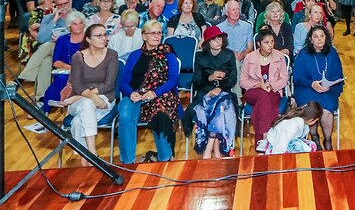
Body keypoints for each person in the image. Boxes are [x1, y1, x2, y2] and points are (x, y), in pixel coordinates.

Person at [117, 20, 181, 164]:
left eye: (159, 32)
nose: (157, 36)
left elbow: (173, 80)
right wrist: (130, 93)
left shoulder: (168, 55)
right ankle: (128, 162)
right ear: (144, 35)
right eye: (153, 33)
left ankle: (164, 159)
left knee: (161, 114)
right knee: (126, 113)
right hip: (136, 95)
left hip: (160, 95)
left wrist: (155, 93)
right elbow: (123, 82)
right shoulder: (135, 55)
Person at [63, 23, 120, 166]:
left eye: (105, 35)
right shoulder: (78, 57)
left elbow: (109, 84)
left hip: (103, 99)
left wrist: (81, 96)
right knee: (87, 104)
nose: (103, 38)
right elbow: (76, 85)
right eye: (98, 35)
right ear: (88, 39)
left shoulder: (112, 55)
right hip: (80, 102)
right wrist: (87, 97)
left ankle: (85, 158)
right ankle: (92, 153)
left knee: (78, 120)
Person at [183, 25, 238, 158]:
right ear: (208, 42)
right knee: (211, 108)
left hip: (224, 91)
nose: (218, 41)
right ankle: (217, 150)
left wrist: (220, 88)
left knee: (221, 106)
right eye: (214, 39)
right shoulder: (200, 56)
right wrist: (210, 77)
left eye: (220, 38)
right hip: (205, 92)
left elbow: (233, 79)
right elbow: (196, 82)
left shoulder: (229, 54)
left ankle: (209, 148)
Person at [293, 26, 344, 150]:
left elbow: (339, 75)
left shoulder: (332, 53)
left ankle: (328, 140)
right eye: (315, 36)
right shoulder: (303, 54)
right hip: (307, 89)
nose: (319, 39)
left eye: (322, 36)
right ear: (310, 39)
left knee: (326, 111)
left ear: (326, 38)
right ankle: (314, 136)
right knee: (311, 108)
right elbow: (297, 78)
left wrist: (330, 86)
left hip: (328, 90)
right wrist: (312, 84)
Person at [239, 27, 289, 150]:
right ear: (258, 44)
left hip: (274, 91)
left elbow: (284, 79)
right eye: (266, 42)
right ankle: (267, 137)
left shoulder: (279, 56)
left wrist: (271, 86)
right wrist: (259, 85)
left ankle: (261, 139)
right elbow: (242, 82)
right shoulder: (250, 58)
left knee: (265, 99)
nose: (270, 45)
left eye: (272, 42)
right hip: (253, 91)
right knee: (263, 95)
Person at [44, 11, 86, 111]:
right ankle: (48, 107)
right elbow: (56, 62)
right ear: (69, 26)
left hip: (84, 73)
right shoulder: (62, 40)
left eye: (81, 23)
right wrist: (71, 68)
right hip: (64, 71)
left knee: (63, 79)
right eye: (75, 24)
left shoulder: (89, 39)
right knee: (63, 77)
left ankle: (49, 106)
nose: (78, 26)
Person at [216, 0, 255, 64]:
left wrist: (242, 54)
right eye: (233, 10)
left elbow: (250, 48)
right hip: (225, 62)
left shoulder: (247, 26)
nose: (236, 12)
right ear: (226, 12)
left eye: (237, 9)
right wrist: (232, 55)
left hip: (243, 61)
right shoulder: (219, 28)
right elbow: (218, 49)